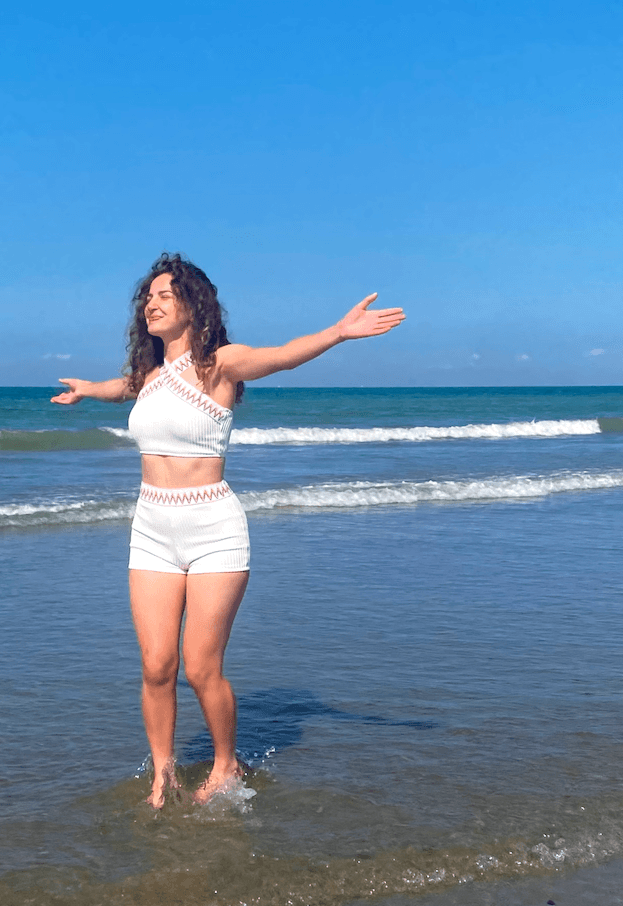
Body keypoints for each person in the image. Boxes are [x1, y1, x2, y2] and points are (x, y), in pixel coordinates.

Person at [51, 253, 405, 808]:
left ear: (193, 306)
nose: (152, 304)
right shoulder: (149, 377)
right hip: (151, 528)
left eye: (165, 295)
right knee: (156, 665)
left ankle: (224, 763)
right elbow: (125, 387)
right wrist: (88, 389)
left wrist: (338, 332)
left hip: (213, 528)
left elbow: (280, 357)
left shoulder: (220, 364)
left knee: (199, 667)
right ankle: (163, 771)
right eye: (148, 297)